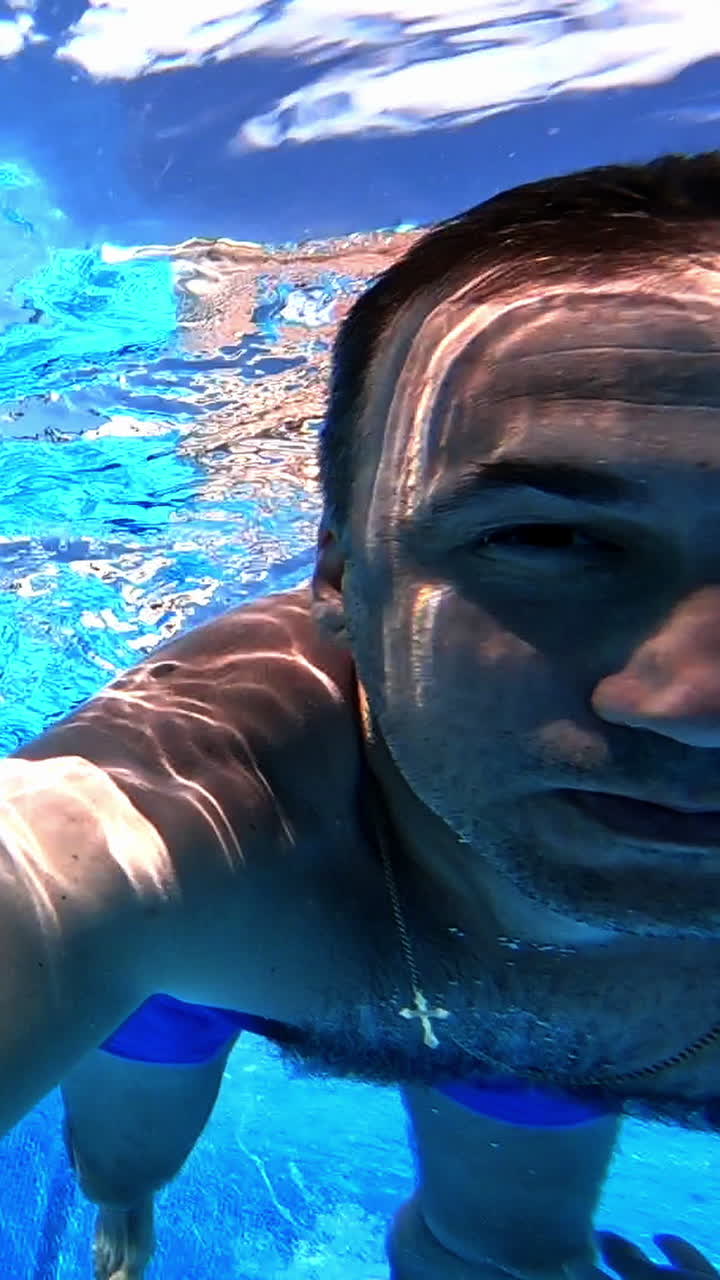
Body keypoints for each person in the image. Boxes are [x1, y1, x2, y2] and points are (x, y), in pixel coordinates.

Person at [2, 153, 720, 1280]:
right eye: (548, 538)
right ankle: (122, 1208)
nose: (697, 708)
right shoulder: (185, 822)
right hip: (221, 957)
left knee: (510, 1253)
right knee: (125, 1151)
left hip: (511, 1016)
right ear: (339, 575)